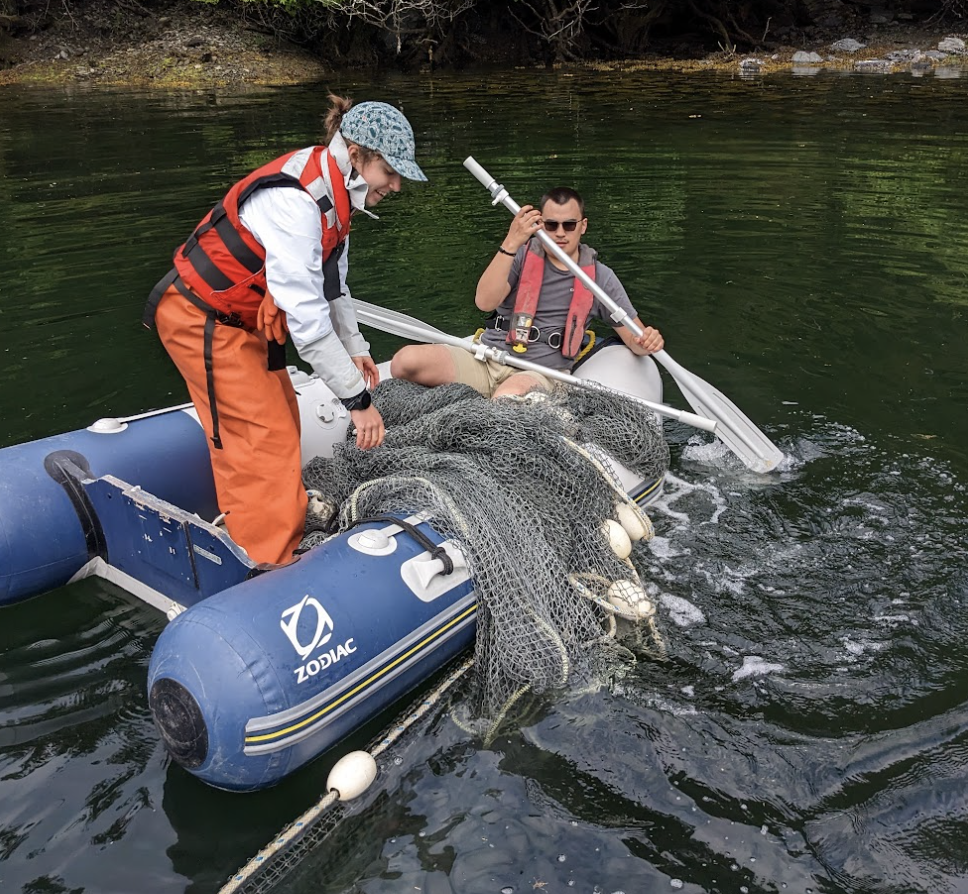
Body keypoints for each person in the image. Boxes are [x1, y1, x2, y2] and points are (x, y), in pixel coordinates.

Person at [144, 94, 427, 566]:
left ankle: (275, 516)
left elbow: (334, 286)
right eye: (390, 173)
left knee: (281, 415)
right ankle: (267, 563)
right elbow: (309, 324)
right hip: (201, 318)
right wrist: (357, 402)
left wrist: (356, 347)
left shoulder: (335, 192)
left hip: (244, 321)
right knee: (261, 436)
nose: (395, 186)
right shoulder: (298, 202)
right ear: (356, 155)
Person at [390, 186, 663, 399]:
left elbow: (635, 339)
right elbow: (484, 302)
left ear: (583, 226)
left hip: (541, 373)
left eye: (569, 225)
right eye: (551, 224)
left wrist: (648, 340)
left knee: (507, 400)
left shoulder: (600, 278)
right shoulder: (519, 257)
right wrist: (512, 240)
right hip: (489, 358)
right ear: (540, 224)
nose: (560, 233)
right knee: (405, 362)